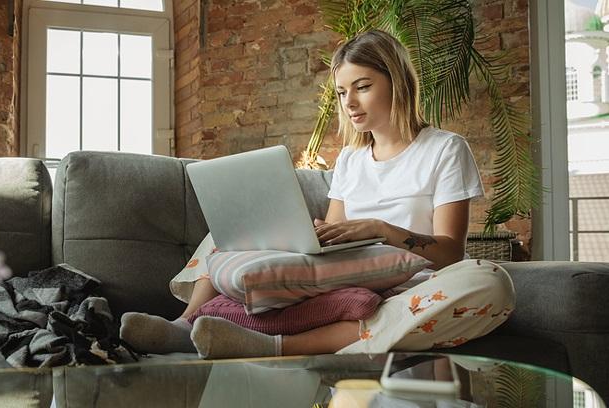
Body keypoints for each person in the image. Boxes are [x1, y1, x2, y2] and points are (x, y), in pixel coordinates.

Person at [120, 29, 515, 359]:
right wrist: (315, 234)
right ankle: (183, 326)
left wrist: (380, 228)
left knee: (491, 281)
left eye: (362, 87)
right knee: (229, 233)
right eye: (343, 92)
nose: (350, 103)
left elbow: (450, 254)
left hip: (413, 283)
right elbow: (336, 233)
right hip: (345, 276)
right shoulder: (350, 158)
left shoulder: (445, 149)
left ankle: (274, 345)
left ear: (398, 82)